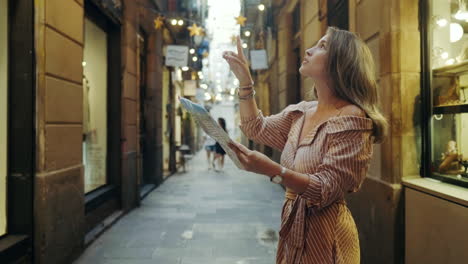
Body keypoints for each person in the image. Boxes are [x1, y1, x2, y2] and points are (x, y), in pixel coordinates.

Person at [223, 27, 388, 264]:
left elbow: (324, 189)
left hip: (326, 238)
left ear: (340, 62)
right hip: (293, 231)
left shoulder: (352, 119)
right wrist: (245, 83)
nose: (309, 50)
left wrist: (272, 170)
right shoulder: (301, 112)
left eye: (322, 46)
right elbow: (255, 127)